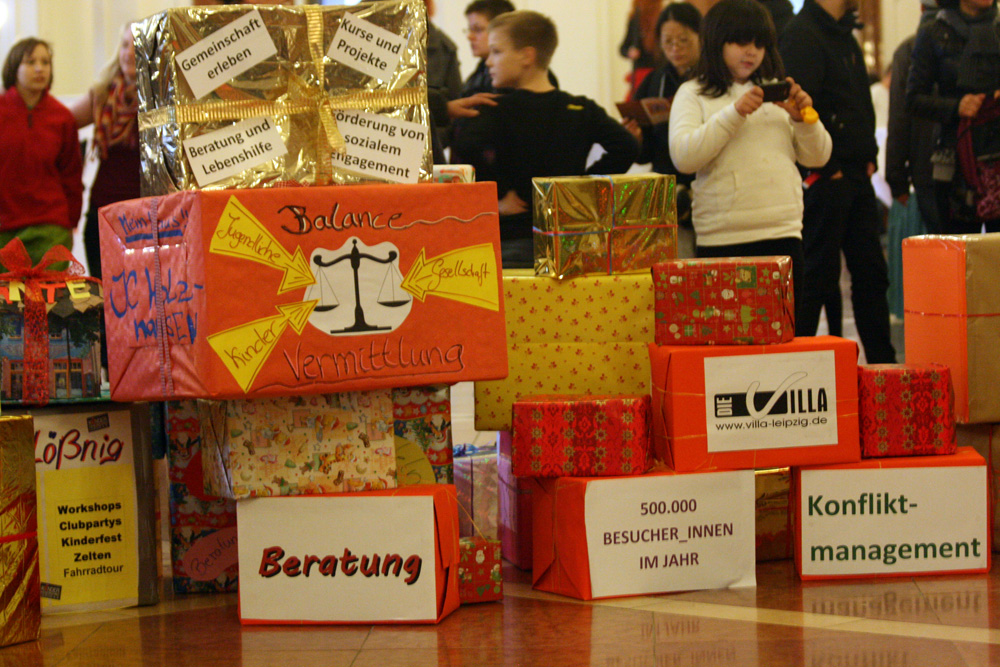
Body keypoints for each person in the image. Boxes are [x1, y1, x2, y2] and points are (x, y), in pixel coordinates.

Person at [669, 0, 831, 329]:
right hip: (721, 240)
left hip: (783, 234)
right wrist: (735, 113)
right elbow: (684, 157)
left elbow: (818, 157)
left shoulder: (778, 94)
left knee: (785, 343)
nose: (752, 52)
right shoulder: (693, 93)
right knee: (727, 350)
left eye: (759, 43)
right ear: (717, 42)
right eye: (741, 42)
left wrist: (804, 121)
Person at [451, 10, 639, 268]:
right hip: (570, 238)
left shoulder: (495, 109)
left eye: (496, 52)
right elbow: (627, 145)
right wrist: (581, 189)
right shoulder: (580, 109)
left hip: (514, 237)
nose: (488, 62)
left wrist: (501, 193)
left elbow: (465, 144)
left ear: (527, 55)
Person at [780, 0, 897, 363]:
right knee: (816, 279)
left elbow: (860, 102)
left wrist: (869, 159)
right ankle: (793, 371)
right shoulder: (801, 35)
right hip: (827, 179)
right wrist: (828, 168)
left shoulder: (845, 32)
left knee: (871, 278)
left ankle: (884, 371)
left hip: (857, 176)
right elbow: (799, 112)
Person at [906, 0, 1000, 234]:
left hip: (997, 150)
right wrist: (957, 106)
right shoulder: (934, 31)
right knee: (958, 253)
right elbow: (914, 99)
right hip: (955, 156)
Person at [622, 2, 701, 256]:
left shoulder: (713, 79)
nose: (675, 48)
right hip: (667, 192)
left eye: (683, 40)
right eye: (668, 42)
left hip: (705, 188)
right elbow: (645, 153)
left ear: (701, 37)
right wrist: (634, 138)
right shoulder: (654, 81)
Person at [0, 38, 83, 269]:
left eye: (45, 62)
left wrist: (71, 220)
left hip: (50, 227)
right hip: (4, 227)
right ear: (14, 68)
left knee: (50, 302)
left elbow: (72, 174)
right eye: (31, 62)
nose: (39, 68)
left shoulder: (62, 117)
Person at [67, 23, 140, 280]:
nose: (128, 53)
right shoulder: (103, 94)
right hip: (103, 216)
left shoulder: (163, 97)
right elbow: (59, 124)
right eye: (123, 45)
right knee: (106, 308)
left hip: (146, 219)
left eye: (136, 45)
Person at [462, 0, 517, 96]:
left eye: (477, 29)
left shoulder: (513, 75)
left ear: (502, 30)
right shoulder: (480, 71)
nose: (470, 36)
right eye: (470, 30)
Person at [620, 0, 665, 99]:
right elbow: (623, 48)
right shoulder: (635, 19)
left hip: (658, 72)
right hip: (640, 74)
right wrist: (630, 52)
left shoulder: (663, 17)